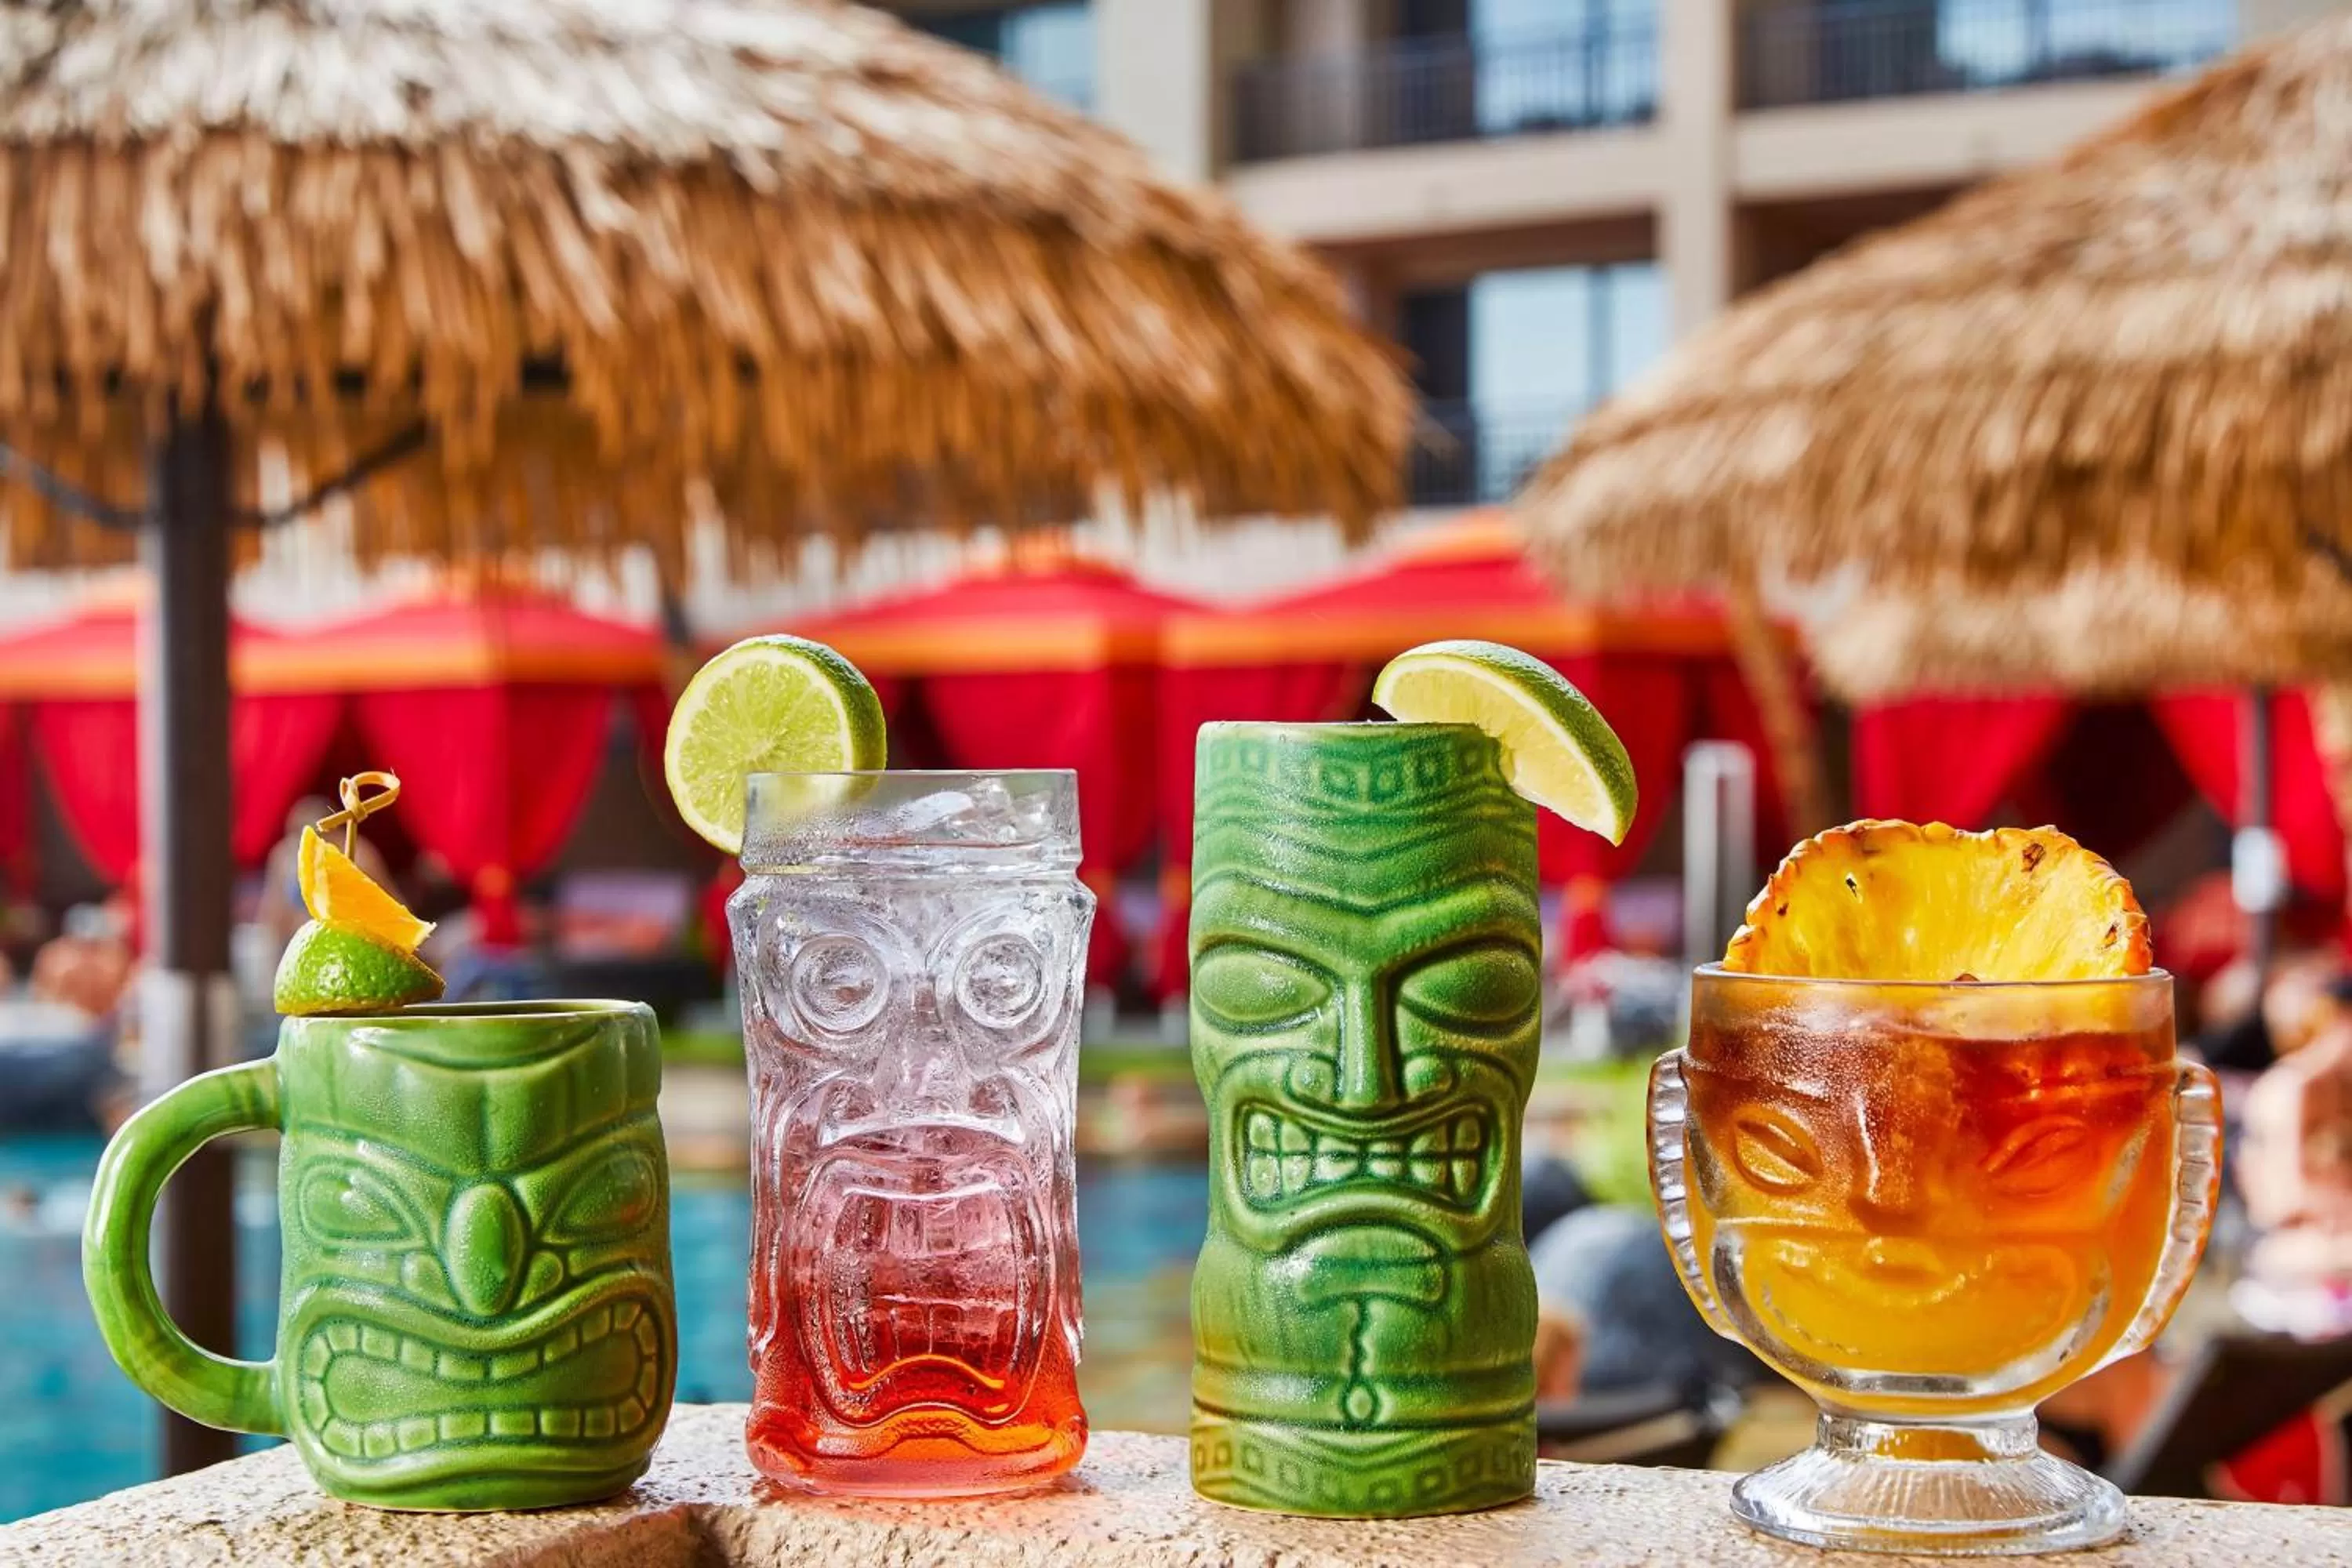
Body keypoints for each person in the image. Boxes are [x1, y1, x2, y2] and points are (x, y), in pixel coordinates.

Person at [259, 797, 393, 957]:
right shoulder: (284, 858)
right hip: (301, 947)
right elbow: (272, 914)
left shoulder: (359, 857)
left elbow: (391, 907)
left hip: (351, 948)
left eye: (316, 839)